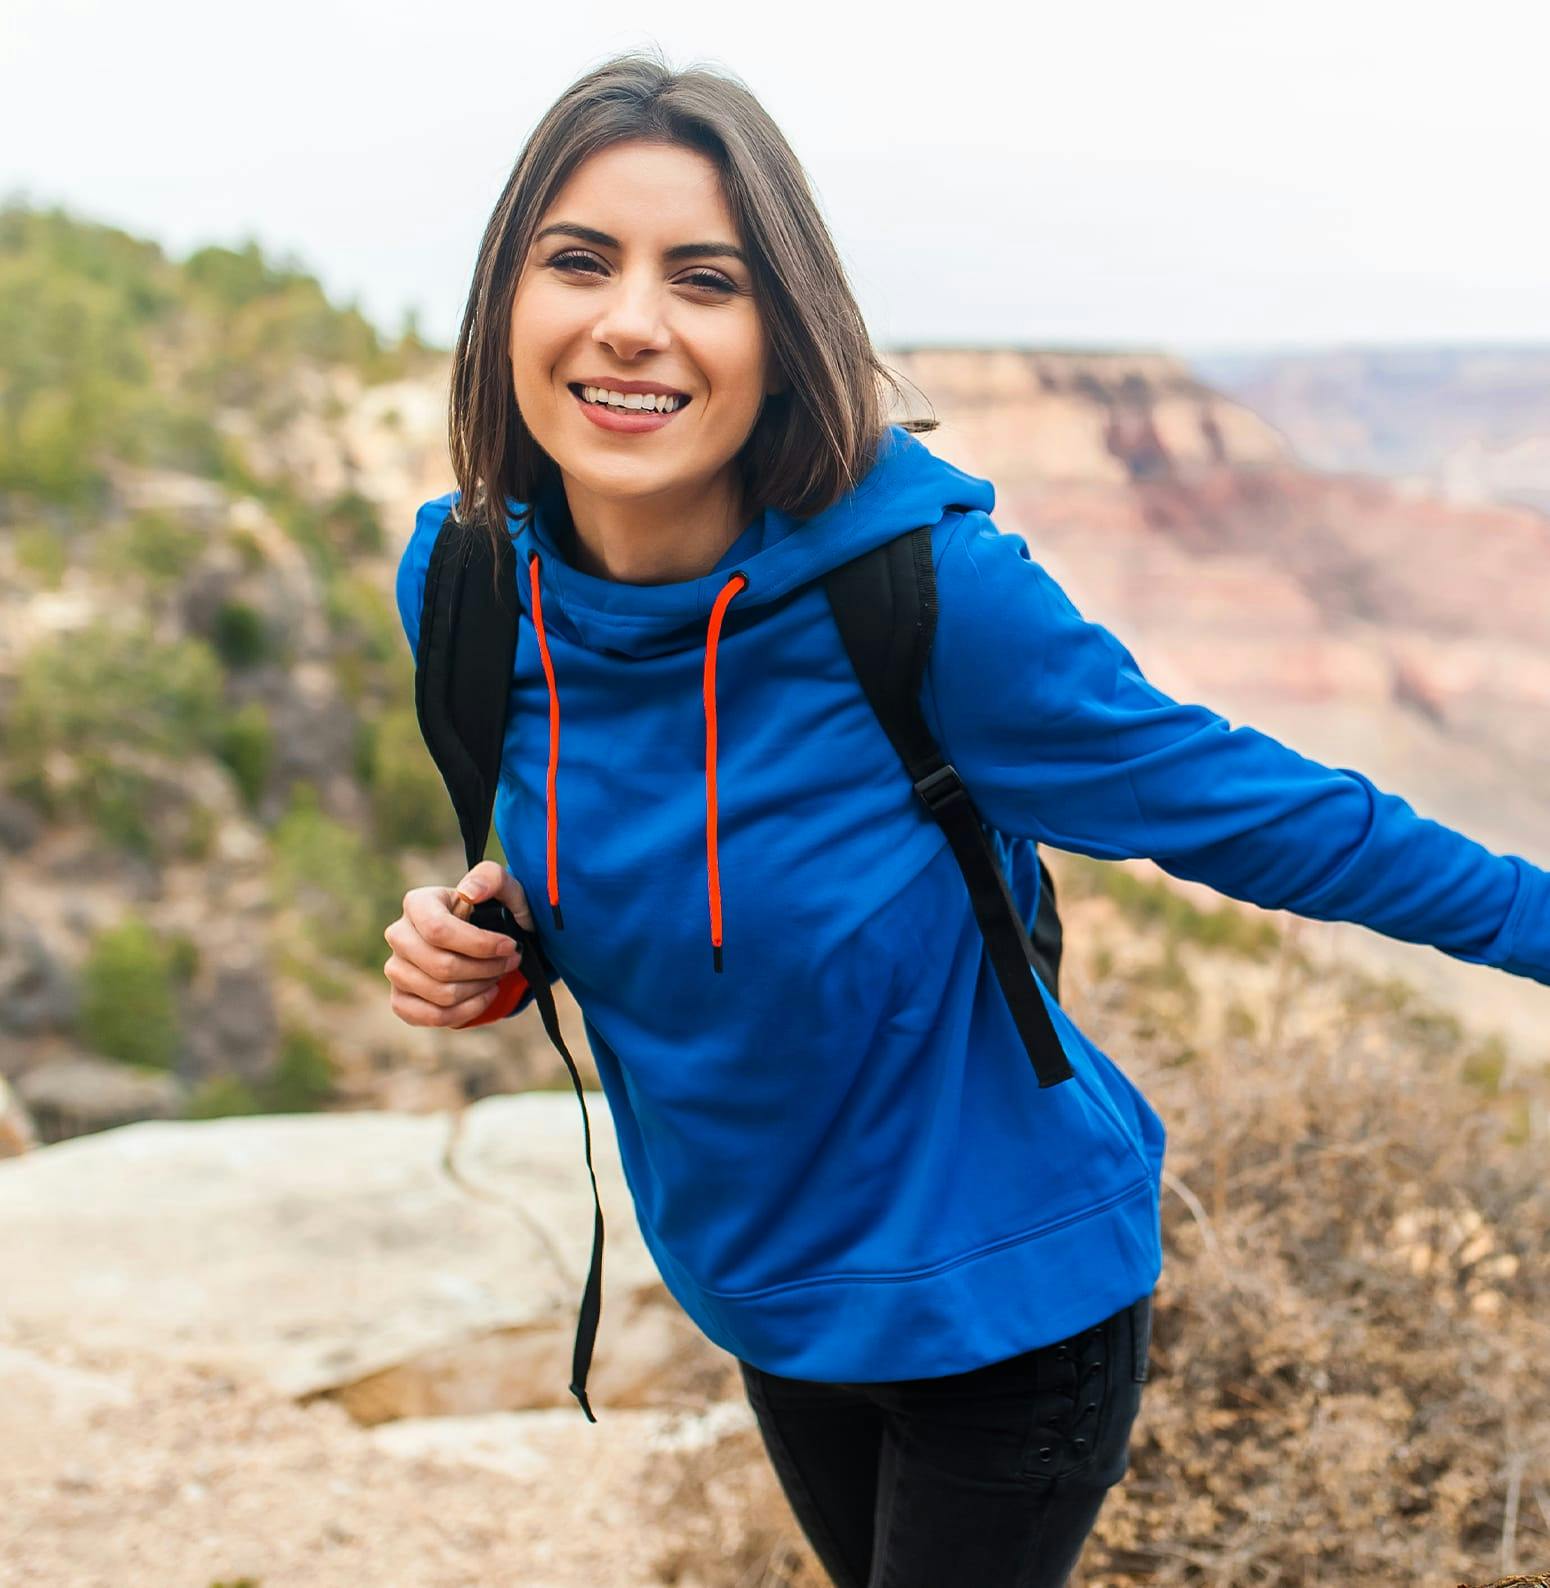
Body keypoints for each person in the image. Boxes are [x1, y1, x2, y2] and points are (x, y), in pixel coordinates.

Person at [384, 48, 1550, 1588]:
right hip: (763, 1287)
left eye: (707, 278)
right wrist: (498, 940)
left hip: (1004, 1306)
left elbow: (1249, 807)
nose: (631, 321)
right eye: (578, 260)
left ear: (782, 334)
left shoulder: (925, 597)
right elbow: (618, 838)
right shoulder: (465, 589)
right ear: (503, 306)